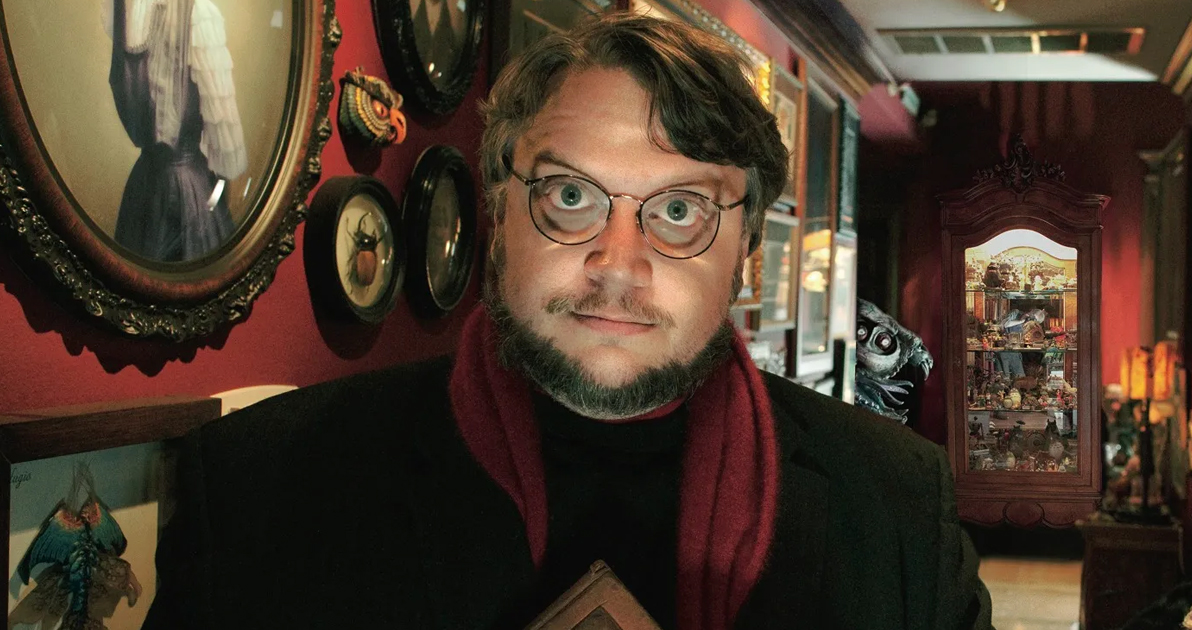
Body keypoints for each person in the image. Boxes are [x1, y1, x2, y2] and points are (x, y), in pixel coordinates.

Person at [144, 13, 992, 629]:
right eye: (572, 195)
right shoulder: (264, 490)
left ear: (748, 256)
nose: (618, 262)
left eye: (681, 209)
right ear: (498, 218)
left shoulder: (897, 508)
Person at [106, 0, 247, 262]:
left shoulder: (127, 11)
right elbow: (228, 159)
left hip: (144, 186)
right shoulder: (198, 13)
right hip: (186, 191)